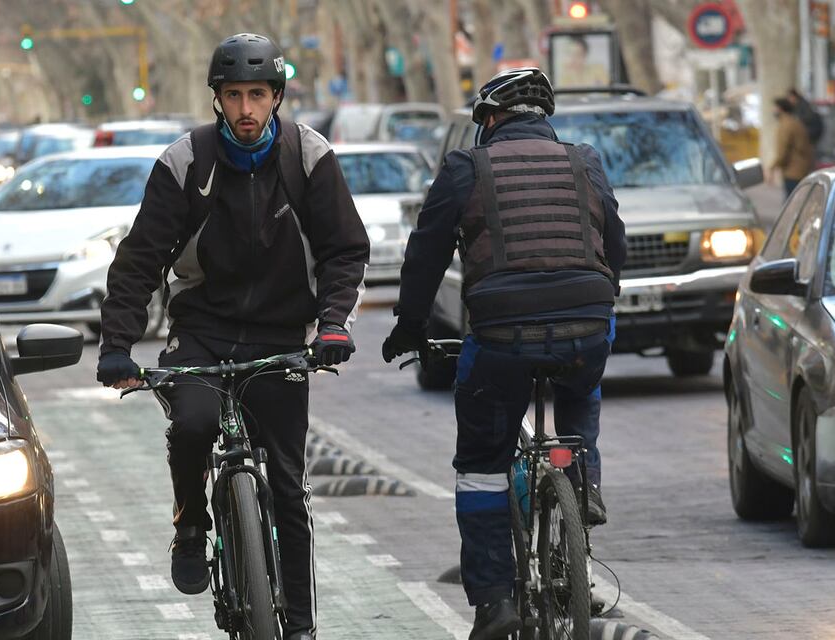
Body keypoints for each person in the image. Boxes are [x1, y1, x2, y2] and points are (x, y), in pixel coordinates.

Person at [95, 33, 370, 640]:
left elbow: (345, 251)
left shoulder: (308, 156)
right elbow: (139, 261)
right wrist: (117, 345)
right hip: (202, 330)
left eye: (258, 95)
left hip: (280, 334)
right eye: (234, 96)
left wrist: (331, 326)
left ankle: (297, 625)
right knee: (192, 423)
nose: (246, 110)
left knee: (291, 489)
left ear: (276, 97)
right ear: (217, 100)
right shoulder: (184, 163)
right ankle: (191, 526)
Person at [382, 68, 626, 640]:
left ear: (489, 121)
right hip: (586, 324)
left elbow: (426, 253)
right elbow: (613, 240)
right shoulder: (584, 159)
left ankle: (494, 602)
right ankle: (582, 478)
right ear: (543, 119)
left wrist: (410, 327)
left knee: (482, 466)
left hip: (502, 335)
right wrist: (599, 300)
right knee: (581, 385)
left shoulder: (466, 167)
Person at [771, 96, 814, 197]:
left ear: (780, 109)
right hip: (801, 169)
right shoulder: (795, 122)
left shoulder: (786, 125)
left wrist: (772, 167)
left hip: (793, 171)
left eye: (774, 107)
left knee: (792, 204)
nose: (773, 110)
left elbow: (782, 151)